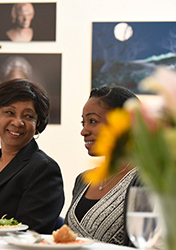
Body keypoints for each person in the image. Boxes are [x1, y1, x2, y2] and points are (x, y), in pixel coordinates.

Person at [0, 79, 64, 234]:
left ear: (37, 124)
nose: (17, 122)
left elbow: (29, 233)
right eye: (9, 112)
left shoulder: (44, 170)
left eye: (28, 116)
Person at [64, 86, 140, 246]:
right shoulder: (83, 180)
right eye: (83, 122)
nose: (83, 131)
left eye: (92, 121)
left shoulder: (145, 179)